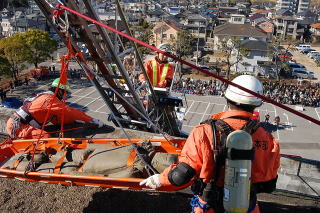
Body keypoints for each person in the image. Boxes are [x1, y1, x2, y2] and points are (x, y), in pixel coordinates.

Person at [140, 75, 280, 213]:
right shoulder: (268, 139)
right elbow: (268, 185)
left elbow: (181, 175)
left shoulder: (204, 132)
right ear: (257, 104)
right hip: (246, 207)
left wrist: (159, 180)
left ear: (227, 99)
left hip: (209, 207)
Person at [6, 78, 111, 140]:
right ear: (60, 90)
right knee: (45, 138)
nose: (66, 96)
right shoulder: (49, 100)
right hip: (18, 126)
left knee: (57, 131)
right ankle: (38, 159)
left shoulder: (47, 97)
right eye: (66, 93)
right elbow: (69, 111)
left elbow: (57, 119)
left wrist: (74, 122)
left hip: (22, 124)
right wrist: (90, 120)